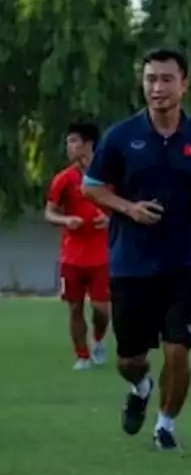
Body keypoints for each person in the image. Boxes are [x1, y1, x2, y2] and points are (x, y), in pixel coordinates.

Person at [81, 48, 191, 451]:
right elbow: (92, 187)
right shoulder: (121, 137)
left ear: (183, 84)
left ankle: (165, 424)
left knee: (178, 351)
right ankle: (142, 387)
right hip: (131, 263)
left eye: (167, 79)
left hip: (184, 261)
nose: (158, 87)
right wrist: (128, 208)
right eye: (151, 79)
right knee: (130, 359)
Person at [45, 122, 111, 369]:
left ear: (88, 145)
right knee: (75, 308)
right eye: (68, 142)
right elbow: (49, 213)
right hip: (71, 256)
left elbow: (124, 206)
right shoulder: (63, 179)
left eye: (73, 141)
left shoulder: (107, 176)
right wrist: (65, 219)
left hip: (101, 256)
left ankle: (98, 339)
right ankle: (82, 356)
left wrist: (109, 219)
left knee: (101, 310)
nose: (69, 147)